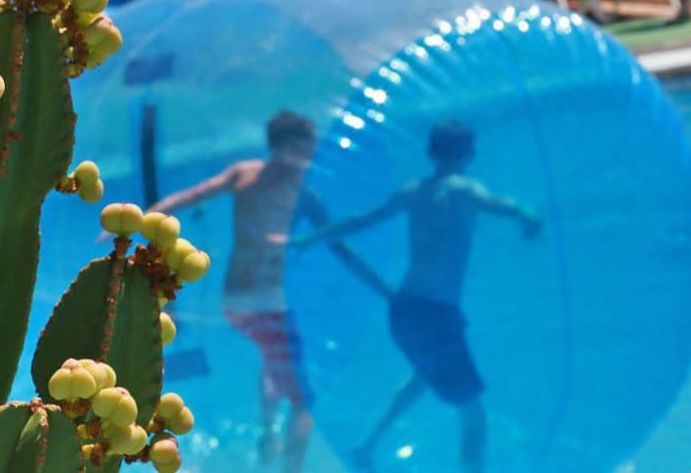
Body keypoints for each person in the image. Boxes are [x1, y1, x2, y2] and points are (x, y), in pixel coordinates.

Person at [295, 120, 541, 472]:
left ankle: (366, 446)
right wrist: (529, 216)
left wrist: (316, 235)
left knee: (423, 377)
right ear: (469, 153)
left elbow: (361, 219)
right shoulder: (465, 189)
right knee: (474, 415)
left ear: (430, 153)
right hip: (437, 314)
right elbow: (505, 206)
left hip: (404, 310)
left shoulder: (412, 192)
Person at [149, 111, 369, 472]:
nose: (310, 154)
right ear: (284, 146)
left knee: (271, 360)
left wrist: (148, 216)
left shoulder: (253, 175)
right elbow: (338, 245)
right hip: (266, 305)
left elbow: (189, 197)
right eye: (304, 147)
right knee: (304, 399)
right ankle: (289, 466)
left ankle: (268, 435)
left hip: (237, 303)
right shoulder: (300, 190)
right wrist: (144, 218)